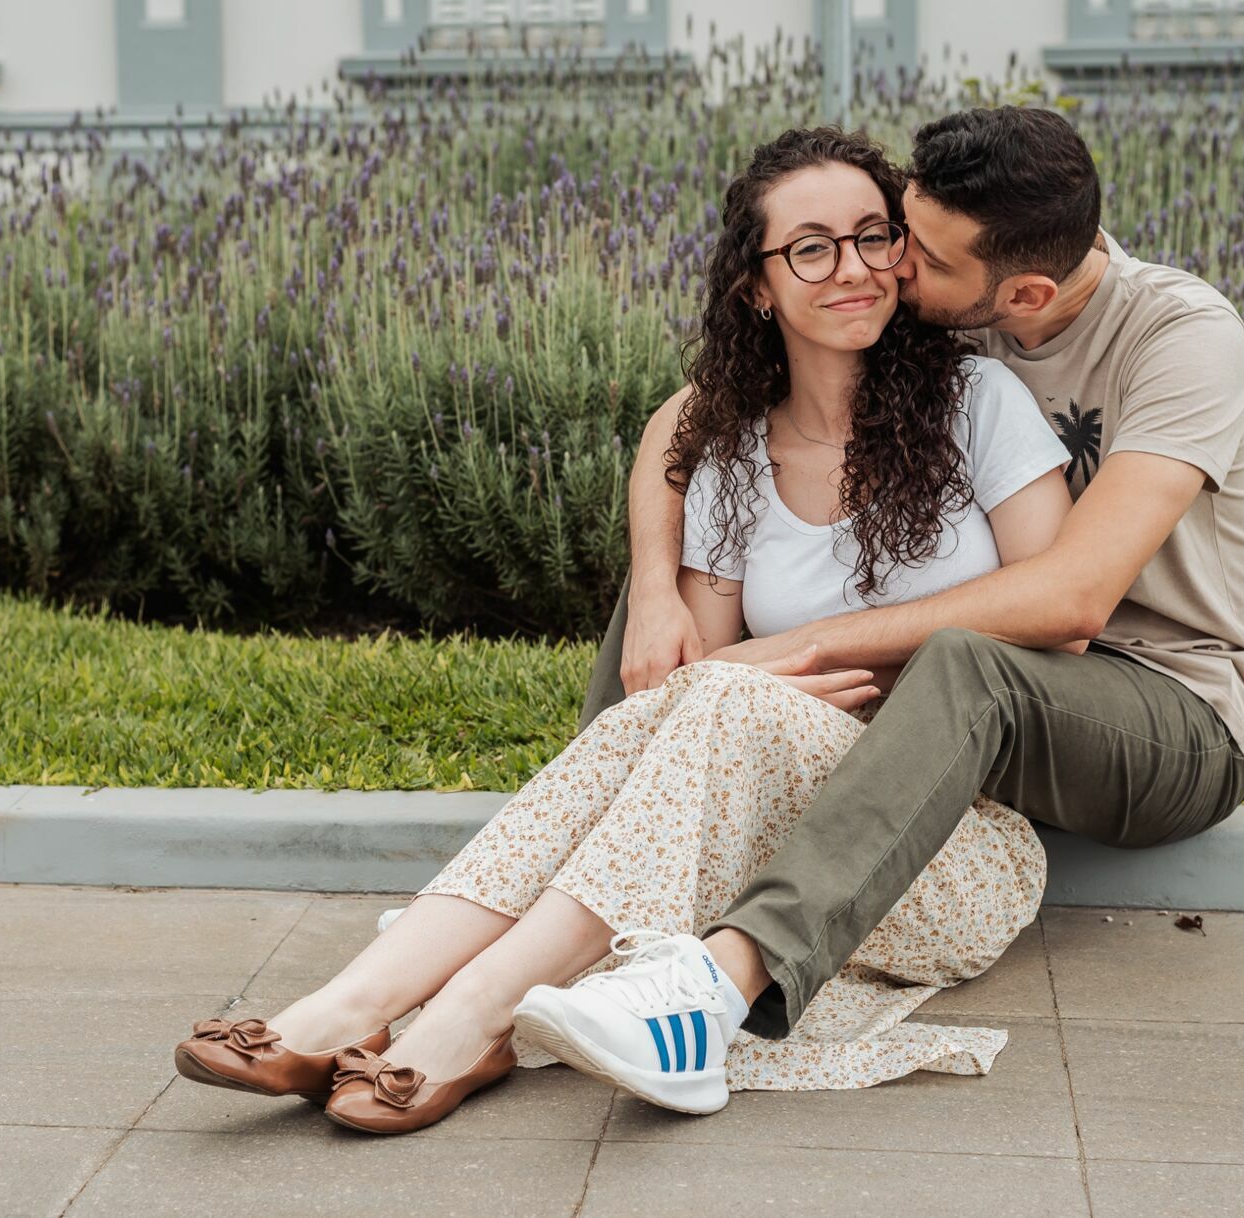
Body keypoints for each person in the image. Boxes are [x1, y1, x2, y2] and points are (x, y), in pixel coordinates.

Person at [172, 125, 1078, 1132]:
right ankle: (350, 1004)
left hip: (945, 853)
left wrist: (794, 662)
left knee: (727, 694)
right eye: (812, 248)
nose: (855, 268)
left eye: (874, 236)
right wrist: (670, 599)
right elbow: (694, 687)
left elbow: (1056, 631)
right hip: (762, 838)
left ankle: (469, 1012)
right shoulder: (732, 458)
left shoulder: (979, 404)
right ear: (757, 286)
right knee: (711, 697)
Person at [525, 104, 1244, 1107]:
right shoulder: (959, 292)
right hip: (985, 691)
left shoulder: (1181, 335)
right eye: (899, 230)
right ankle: (556, 893)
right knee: (672, 581)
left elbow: (1072, 601)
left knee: (966, 660)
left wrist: (792, 649)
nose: (887, 267)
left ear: (1021, 294)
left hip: (1168, 706)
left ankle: (714, 991)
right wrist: (658, 580)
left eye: (914, 254)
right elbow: (689, 413)